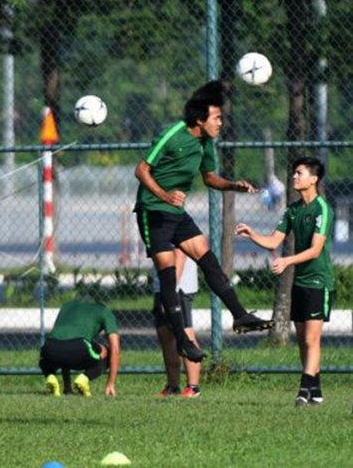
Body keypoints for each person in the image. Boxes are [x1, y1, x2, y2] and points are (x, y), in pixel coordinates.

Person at [134, 80, 273, 363]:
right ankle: (183, 341)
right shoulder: (172, 133)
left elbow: (209, 178)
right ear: (200, 119)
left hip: (176, 214)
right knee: (168, 276)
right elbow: (141, 170)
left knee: (208, 259)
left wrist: (234, 185)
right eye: (217, 118)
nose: (221, 123)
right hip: (153, 212)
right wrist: (163, 194)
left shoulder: (206, 142)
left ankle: (240, 315)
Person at [236, 157, 334, 407]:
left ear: (313, 179)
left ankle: (303, 391)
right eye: (293, 173)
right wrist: (252, 234)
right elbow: (272, 241)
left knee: (312, 340)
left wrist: (287, 261)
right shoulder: (292, 210)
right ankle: (317, 390)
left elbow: (315, 250)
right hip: (300, 283)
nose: (294, 177)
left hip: (318, 282)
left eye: (299, 173)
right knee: (303, 341)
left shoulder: (322, 209)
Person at [39, 298, 120, 398]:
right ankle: (84, 379)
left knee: (44, 361)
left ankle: (51, 376)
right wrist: (111, 383)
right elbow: (115, 350)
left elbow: (65, 341)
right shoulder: (105, 311)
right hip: (78, 347)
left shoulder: (68, 306)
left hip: (49, 347)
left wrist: (67, 386)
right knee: (107, 352)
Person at [153, 249, 201, 397]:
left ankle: (193, 387)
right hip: (161, 287)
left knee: (185, 332)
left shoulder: (173, 225)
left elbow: (180, 254)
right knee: (165, 333)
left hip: (179, 288)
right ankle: (173, 386)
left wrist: (171, 289)